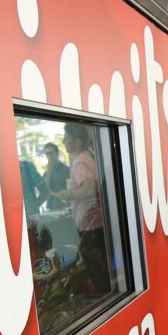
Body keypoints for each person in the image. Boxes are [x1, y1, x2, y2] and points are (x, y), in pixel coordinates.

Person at [52, 122, 110, 295]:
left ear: (77, 141)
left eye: (67, 138)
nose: (64, 142)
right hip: (94, 222)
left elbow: (90, 188)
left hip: (91, 224)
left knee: (96, 269)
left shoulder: (80, 162)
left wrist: (69, 194)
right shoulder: (86, 157)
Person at [42, 142, 70, 211]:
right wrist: (49, 172)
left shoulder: (65, 169)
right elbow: (44, 189)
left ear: (57, 154)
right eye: (47, 154)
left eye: (51, 153)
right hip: (51, 207)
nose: (49, 156)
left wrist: (51, 192)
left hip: (64, 207)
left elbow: (69, 191)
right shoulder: (47, 172)